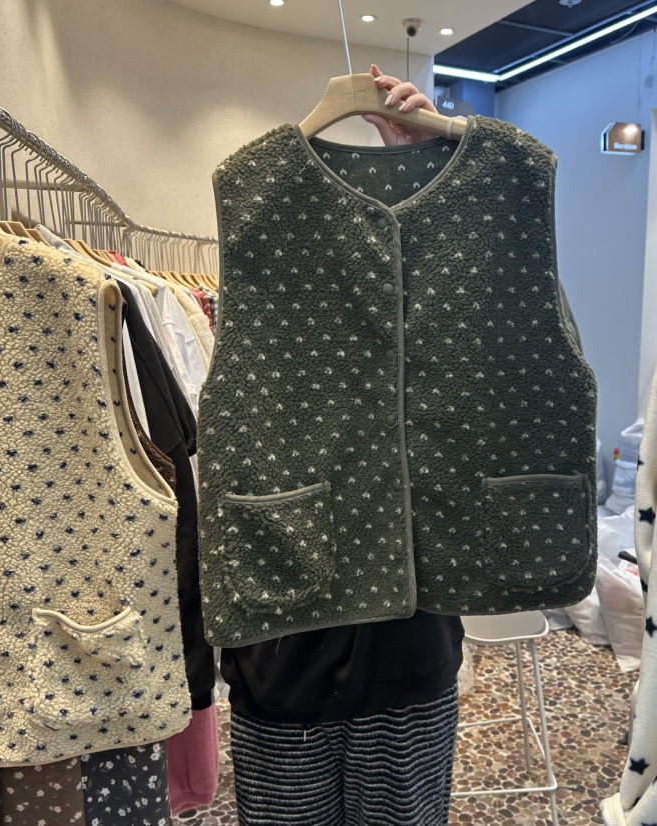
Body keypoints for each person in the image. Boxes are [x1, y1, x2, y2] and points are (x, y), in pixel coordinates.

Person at [222, 66, 465, 826]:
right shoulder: (257, 205)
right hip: (282, 630)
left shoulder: (455, 238)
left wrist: (432, 169)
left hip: (410, 639)